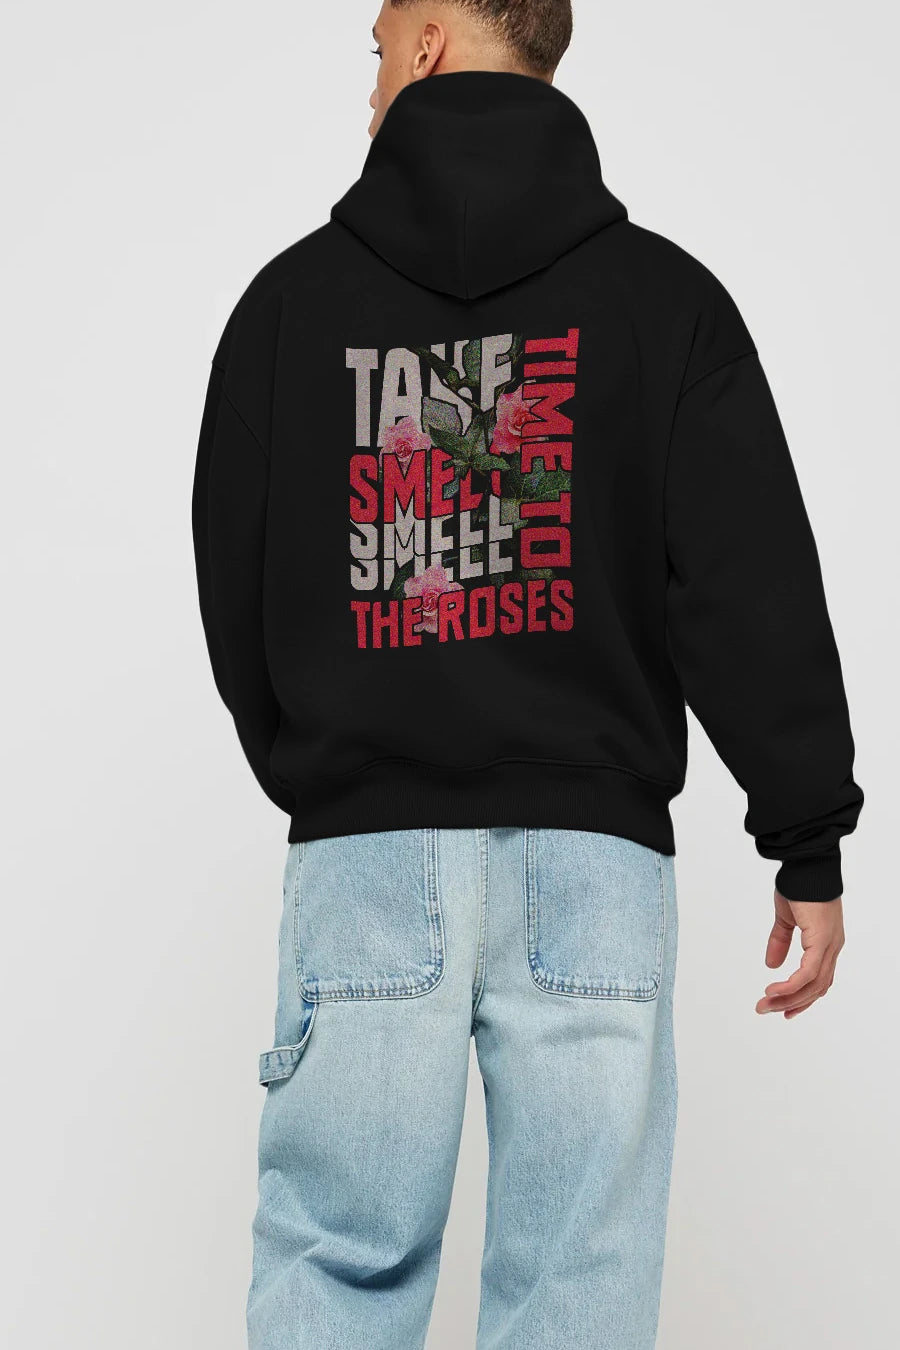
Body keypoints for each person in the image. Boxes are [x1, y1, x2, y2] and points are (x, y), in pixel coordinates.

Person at [192, 2, 863, 1346]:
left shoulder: (289, 306)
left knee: (336, 1265)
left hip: (367, 857)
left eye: (381, 40)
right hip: (593, 868)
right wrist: (806, 836)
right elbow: (747, 579)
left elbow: (235, 578)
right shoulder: (664, 303)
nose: (371, 70)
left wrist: (337, 766)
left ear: (433, 41)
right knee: (578, 1289)